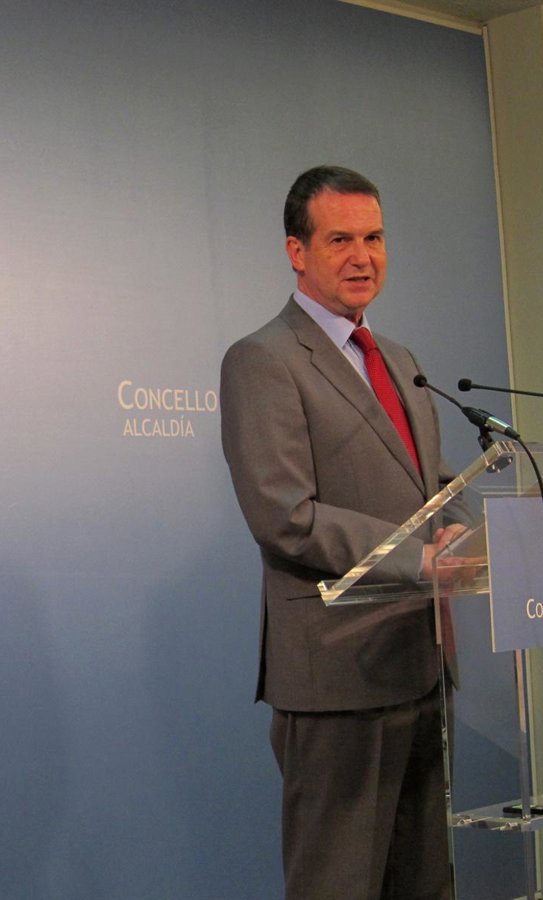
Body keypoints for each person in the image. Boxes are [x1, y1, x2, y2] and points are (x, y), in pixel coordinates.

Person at [220, 165, 468, 899]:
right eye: (340, 240)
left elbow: (433, 486)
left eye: (375, 238)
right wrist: (419, 559)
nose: (363, 257)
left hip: (419, 663)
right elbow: (285, 515)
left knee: (424, 884)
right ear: (297, 252)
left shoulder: (400, 358)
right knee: (339, 886)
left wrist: (470, 535)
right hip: (336, 675)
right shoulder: (262, 359)